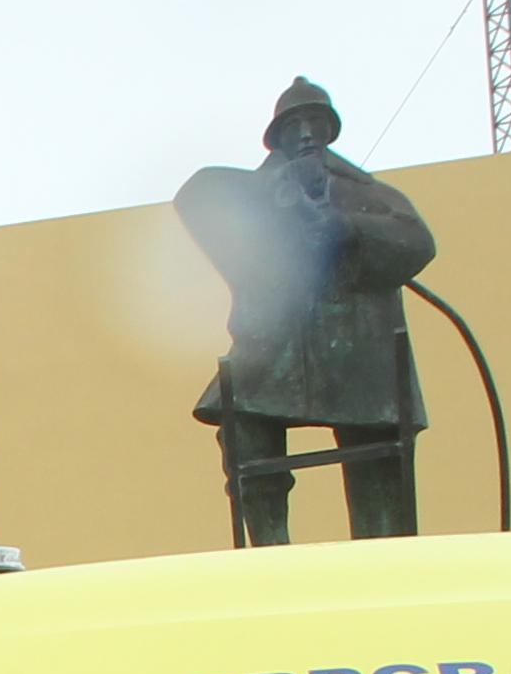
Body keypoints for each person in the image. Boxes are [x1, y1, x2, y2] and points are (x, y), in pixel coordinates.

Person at [174, 78, 438, 546]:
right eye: (294, 125)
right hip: (275, 354)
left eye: (315, 122)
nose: (306, 134)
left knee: (378, 472)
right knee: (244, 432)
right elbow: (200, 197)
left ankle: (387, 562)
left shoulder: (366, 193)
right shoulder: (253, 196)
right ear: (277, 138)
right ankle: (269, 556)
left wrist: (345, 227)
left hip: (359, 361)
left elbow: (417, 242)